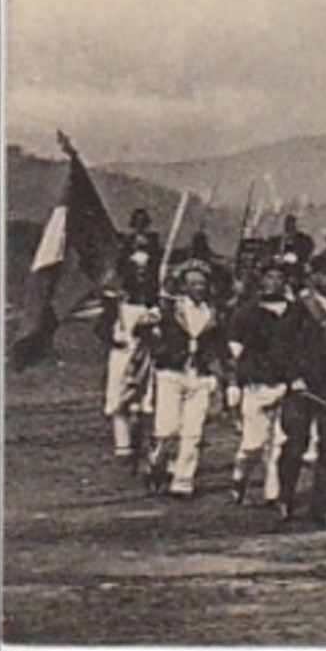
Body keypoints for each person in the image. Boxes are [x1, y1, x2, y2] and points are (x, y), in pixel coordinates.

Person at [275, 252, 326, 528]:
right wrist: (293, 377)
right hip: (302, 387)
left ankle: (323, 507)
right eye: (323, 274)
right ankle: (285, 499)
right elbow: (282, 347)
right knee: (295, 443)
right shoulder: (299, 307)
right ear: (313, 276)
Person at [138, 261, 230, 498]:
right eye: (192, 284)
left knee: (193, 431)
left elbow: (220, 345)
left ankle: (183, 480)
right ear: (184, 287)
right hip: (171, 373)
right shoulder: (169, 309)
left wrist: (222, 373)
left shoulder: (214, 313)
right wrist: (149, 327)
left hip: (199, 375)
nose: (198, 288)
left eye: (201, 283)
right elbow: (142, 332)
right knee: (167, 429)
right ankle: (156, 462)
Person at [227, 260, 296, 507]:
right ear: (261, 280)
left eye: (279, 277)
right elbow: (234, 352)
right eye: (269, 277)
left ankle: (273, 493)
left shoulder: (295, 313)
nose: (274, 282)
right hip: (256, 384)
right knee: (253, 444)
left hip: (285, 384)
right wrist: (234, 383)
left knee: (278, 443)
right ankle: (240, 476)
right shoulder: (246, 313)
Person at [101, 209, 163, 462]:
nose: (140, 272)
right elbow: (104, 327)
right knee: (119, 388)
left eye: (144, 267)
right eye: (135, 267)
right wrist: (113, 335)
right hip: (124, 341)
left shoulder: (156, 304)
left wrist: (155, 322)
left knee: (149, 389)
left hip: (148, 338)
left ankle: (147, 438)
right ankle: (123, 443)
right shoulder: (115, 301)